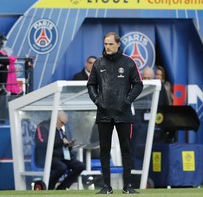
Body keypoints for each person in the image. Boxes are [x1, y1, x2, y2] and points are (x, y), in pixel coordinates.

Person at [87, 32, 143, 194]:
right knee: (104, 150)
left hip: (123, 114)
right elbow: (91, 85)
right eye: (105, 44)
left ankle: (127, 187)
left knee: (126, 150)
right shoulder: (98, 63)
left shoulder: (128, 62)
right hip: (103, 113)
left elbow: (138, 84)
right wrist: (98, 101)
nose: (108, 47)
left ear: (118, 44)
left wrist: (127, 100)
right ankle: (106, 187)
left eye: (111, 44)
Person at [34, 110, 86, 190]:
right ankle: (48, 187)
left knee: (80, 166)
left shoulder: (60, 130)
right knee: (61, 167)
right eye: (62, 123)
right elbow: (42, 143)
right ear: (56, 119)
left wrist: (69, 145)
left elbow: (62, 145)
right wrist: (61, 141)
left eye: (64, 124)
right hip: (48, 157)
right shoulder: (42, 127)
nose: (62, 125)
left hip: (62, 157)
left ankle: (62, 187)